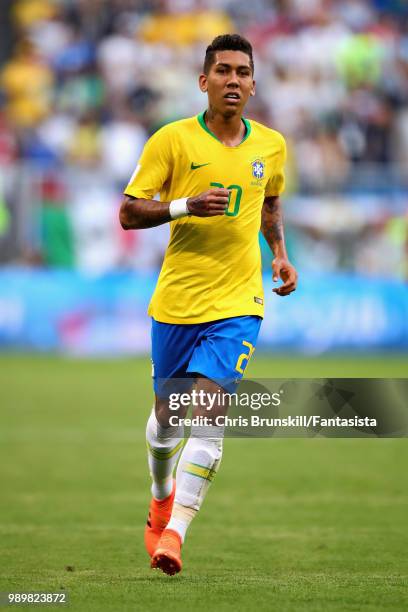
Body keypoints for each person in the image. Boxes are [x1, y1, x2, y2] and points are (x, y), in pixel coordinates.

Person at [119, 33, 298, 576]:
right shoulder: (172, 141)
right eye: (223, 71)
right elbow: (129, 213)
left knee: (211, 412)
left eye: (243, 72)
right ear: (204, 81)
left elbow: (269, 203)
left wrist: (281, 254)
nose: (234, 81)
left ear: (253, 83)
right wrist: (184, 206)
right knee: (166, 421)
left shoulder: (271, 145)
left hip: (239, 300)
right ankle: (160, 493)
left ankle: (175, 535)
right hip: (177, 300)